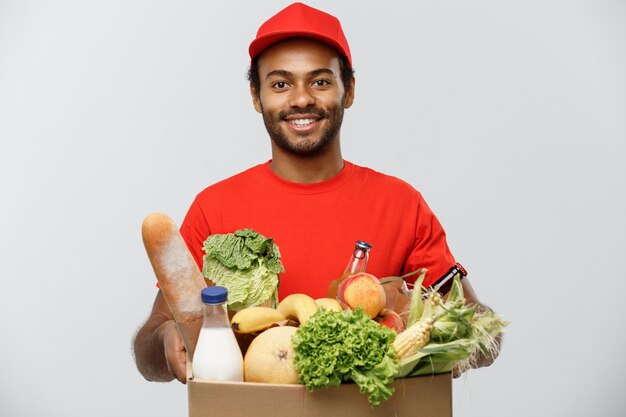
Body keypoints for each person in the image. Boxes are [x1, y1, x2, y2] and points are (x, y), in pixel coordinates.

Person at [133, 2, 500, 384]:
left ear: (349, 90)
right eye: (280, 84)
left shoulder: (401, 204)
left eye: (320, 81)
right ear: (256, 97)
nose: (302, 99)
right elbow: (149, 353)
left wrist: (451, 341)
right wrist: (164, 337)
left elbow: (486, 331)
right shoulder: (215, 208)